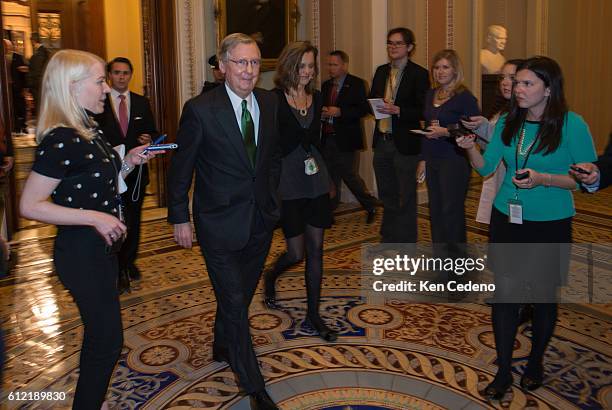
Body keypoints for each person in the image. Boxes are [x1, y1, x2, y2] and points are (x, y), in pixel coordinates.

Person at [19, 49, 160, 409]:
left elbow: (98, 184)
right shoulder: (61, 137)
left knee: (102, 340)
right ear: (72, 86)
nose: (105, 87)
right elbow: (29, 205)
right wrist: (94, 217)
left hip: (101, 250)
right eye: (99, 81)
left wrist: (128, 163)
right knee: (107, 342)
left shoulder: (88, 126)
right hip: (81, 253)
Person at [456, 56, 596, 399]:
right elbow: (486, 168)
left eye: (527, 83)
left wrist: (543, 178)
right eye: (517, 82)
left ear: (548, 89)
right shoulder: (508, 120)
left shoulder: (572, 125)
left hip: (550, 223)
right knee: (506, 297)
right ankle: (503, 371)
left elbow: (580, 181)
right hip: (507, 219)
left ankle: (535, 362)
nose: (517, 89)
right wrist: (470, 147)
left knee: (545, 298)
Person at [167, 33, 281, 410]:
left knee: (240, 298)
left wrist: (273, 202)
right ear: (222, 66)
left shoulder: (269, 102)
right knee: (234, 301)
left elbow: (271, 160)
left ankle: (221, 340)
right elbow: (180, 170)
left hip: (259, 222)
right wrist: (180, 217)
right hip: (217, 224)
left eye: (254, 62)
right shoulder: (200, 109)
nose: (250, 71)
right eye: (241, 62)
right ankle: (254, 387)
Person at [263, 42, 338, 344]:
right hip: (289, 185)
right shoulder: (273, 100)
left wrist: (330, 177)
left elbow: (318, 144)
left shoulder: (317, 98)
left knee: (317, 249)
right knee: (296, 252)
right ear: (289, 67)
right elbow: (268, 147)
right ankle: (271, 275)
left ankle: (314, 315)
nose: (307, 72)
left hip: (315, 181)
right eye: (302, 66)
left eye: (311, 66)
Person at [96, 57, 158, 285]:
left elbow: (152, 130)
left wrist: (149, 137)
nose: (121, 77)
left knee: (134, 219)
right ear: (110, 75)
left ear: (131, 75)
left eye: (125, 73)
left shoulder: (142, 102)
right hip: (109, 174)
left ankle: (128, 262)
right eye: (117, 73)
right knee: (113, 220)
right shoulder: (99, 102)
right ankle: (115, 264)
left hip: (137, 174)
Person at [369, 27, 430, 243]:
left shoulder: (419, 74)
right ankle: (389, 238)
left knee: (406, 196)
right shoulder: (380, 71)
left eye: (397, 43)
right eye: (390, 43)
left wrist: (399, 110)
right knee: (387, 194)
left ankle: (406, 242)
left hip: (405, 144)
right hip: (382, 141)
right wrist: (375, 106)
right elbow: (371, 100)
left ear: (410, 47)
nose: (392, 47)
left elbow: (424, 109)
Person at [422, 50, 480, 255]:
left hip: (454, 160)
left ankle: (457, 259)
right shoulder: (430, 94)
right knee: (435, 210)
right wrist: (422, 160)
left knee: (451, 211)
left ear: (455, 69)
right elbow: (427, 125)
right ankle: (441, 257)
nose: (440, 71)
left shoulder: (465, 97)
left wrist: (446, 131)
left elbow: (475, 129)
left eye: (445, 67)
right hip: (432, 158)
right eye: (437, 67)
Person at [462, 59, 523, 224]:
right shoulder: (502, 111)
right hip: (496, 174)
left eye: (511, 77)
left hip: (514, 180)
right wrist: (479, 129)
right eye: (503, 77)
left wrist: (483, 127)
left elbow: (508, 142)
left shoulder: (526, 113)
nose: (505, 82)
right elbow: (490, 147)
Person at [321, 50, 377, 222]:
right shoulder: (326, 85)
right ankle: (329, 212)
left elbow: (364, 110)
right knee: (329, 178)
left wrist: (341, 112)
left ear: (344, 65)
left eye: (334, 65)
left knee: (349, 176)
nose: (331, 68)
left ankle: (370, 205)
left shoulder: (357, 84)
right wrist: (322, 113)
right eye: (329, 64)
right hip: (327, 138)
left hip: (346, 140)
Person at [4, 39, 28, 132]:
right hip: (6, 87)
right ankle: (14, 127)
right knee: (11, 107)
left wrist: (25, 88)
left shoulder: (17, 57)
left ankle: (23, 125)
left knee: (21, 106)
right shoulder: (2, 57)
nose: (6, 48)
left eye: (7, 46)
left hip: (17, 86)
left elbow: (24, 73)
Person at [27, 33, 51, 114]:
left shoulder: (39, 54)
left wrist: (32, 85)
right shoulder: (44, 52)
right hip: (42, 84)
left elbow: (37, 71)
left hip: (38, 85)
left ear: (33, 41)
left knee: (40, 107)